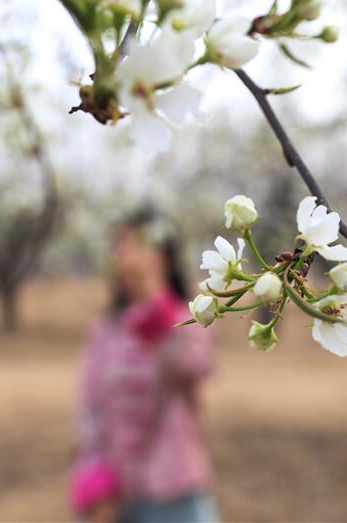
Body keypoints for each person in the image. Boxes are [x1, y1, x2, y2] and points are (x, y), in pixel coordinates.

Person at [69, 209, 218, 523]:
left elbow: (193, 366)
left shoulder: (190, 316)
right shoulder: (107, 329)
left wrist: (154, 297)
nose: (126, 255)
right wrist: (95, 483)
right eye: (120, 245)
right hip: (118, 496)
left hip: (175, 493)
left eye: (137, 244)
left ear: (163, 254)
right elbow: (91, 408)